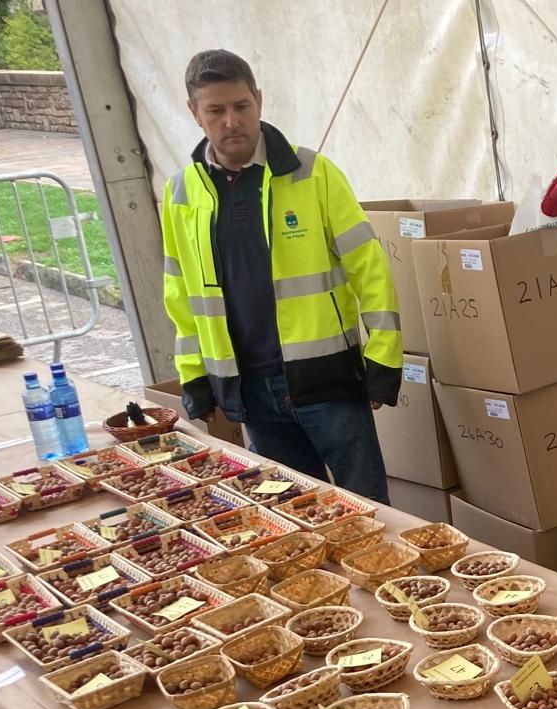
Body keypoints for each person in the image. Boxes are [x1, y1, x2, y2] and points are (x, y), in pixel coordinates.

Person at [160, 49, 400, 503]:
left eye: (241, 106)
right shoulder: (180, 194)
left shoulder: (313, 173)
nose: (231, 121)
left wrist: (384, 359)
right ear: (195, 113)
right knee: (294, 520)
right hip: (249, 391)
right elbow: (182, 295)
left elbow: (370, 269)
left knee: (369, 513)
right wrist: (194, 378)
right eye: (216, 110)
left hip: (329, 383)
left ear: (259, 102)